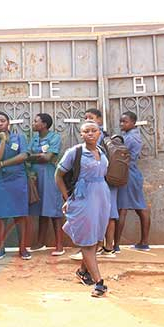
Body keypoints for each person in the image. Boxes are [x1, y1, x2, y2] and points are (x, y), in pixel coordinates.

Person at [55, 121, 110, 297]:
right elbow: (58, 175)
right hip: (83, 199)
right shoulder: (75, 152)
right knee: (87, 242)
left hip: (102, 197)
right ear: (81, 134)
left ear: (100, 133)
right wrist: (67, 197)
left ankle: (82, 271)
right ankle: (99, 283)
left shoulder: (102, 151)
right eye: (86, 131)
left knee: (98, 240)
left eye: (94, 131)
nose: (91, 134)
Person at [0, 111, 31, 260]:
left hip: (18, 179)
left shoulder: (20, 137)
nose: (0, 123)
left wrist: (4, 163)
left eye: (2, 121)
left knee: (20, 214)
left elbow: (24, 155)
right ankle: (1, 248)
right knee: (0, 215)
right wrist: (3, 141)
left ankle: (23, 248)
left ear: (8, 122)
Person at [80, 108, 118, 259]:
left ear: (100, 121)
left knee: (106, 214)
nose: (88, 120)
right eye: (85, 118)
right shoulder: (98, 137)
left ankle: (105, 247)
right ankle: (103, 247)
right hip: (102, 180)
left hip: (104, 181)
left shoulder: (98, 137)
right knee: (104, 213)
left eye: (91, 118)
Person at [27, 113, 66, 256]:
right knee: (40, 209)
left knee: (54, 210)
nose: (33, 123)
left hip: (49, 176)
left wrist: (33, 157)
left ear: (43, 124)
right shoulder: (35, 138)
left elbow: (48, 157)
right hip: (36, 176)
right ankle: (40, 242)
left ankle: (59, 245)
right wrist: (37, 157)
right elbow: (27, 156)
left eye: (35, 121)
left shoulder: (54, 137)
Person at [116, 111, 151, 251]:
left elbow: (122, 156)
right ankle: (144, 242)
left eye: (125, 121)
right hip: (132, 174)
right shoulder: (130, 136)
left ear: (133, 123)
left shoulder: (130, 138)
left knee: (122, 209)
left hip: (128, 174)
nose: (121, 124)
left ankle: (115, 245)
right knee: (139, 207)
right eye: (121, 121)